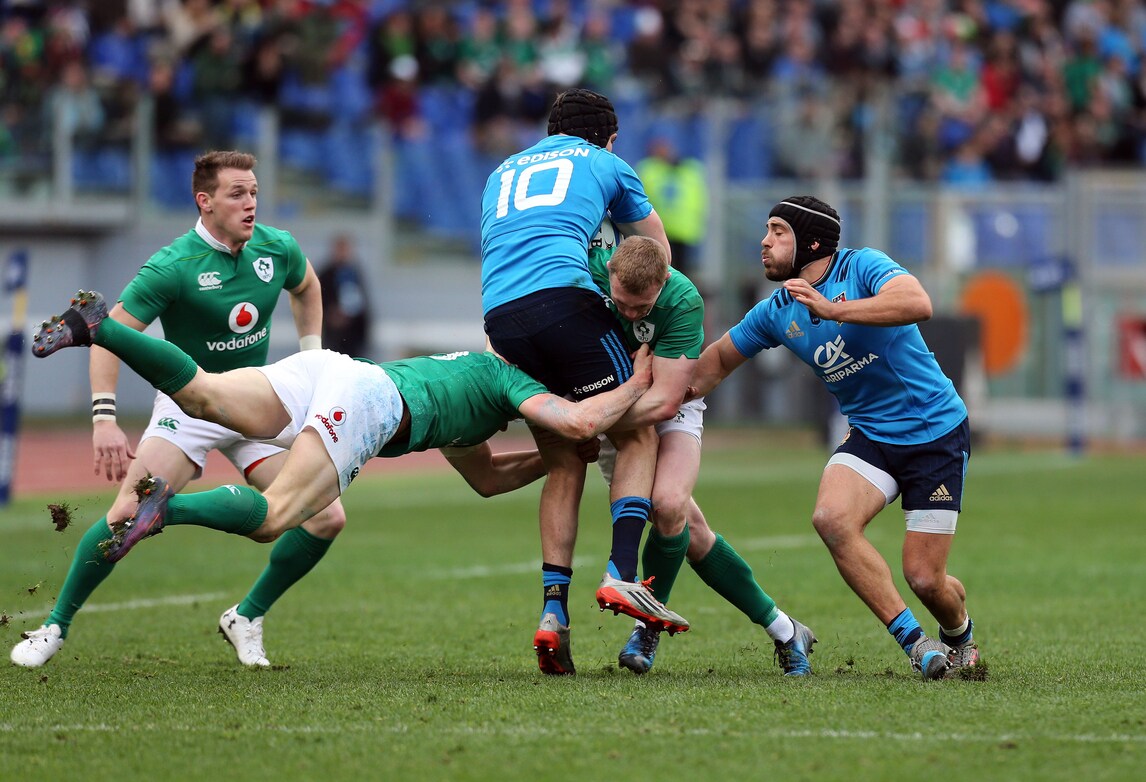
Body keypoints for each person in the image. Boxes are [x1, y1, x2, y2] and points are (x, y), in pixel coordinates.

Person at [10, 150, 347, 670]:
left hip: (256, 400)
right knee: (127, 515)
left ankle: (246, 616)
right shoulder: (173, 266)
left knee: (325, 516)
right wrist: (104, 418)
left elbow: (307, 286)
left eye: (254, 193)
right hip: (188, 408)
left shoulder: (277, 247)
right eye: (237, 194)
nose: (251, 204)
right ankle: (54, 626)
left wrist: (311, 357)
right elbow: (107, 336)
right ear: (204, 202)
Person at [27, 290, 653, 570]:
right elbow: (580, 418)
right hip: (368, 403)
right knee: (274, 518)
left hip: (331, 370)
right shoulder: (510, 379)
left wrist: (554, 458)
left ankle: (100, 326)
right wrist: (637, 384)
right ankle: (167, 508)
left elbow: (487, 478)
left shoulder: (471, 393)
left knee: (202, 394)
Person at [687, 196, 981, 681]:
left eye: (778, 231)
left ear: (810, 242)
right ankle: (915, 642)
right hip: (872, 436)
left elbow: (918, 303)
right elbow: (714, 364)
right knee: (831, 518)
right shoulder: (776, 311)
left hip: (934, 433)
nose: (764, 242)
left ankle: (959, 633)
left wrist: (833, 309)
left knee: (926, 579)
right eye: (766, 230)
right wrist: (651, 398)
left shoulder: (862, 266)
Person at [479, 87, 680, 676]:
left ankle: (553, 612)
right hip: (564, 302)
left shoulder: (502, 170)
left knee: (565, 458)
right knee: (635, 432)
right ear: (609, 138)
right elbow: (657, 253)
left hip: (500, 317)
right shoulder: (605, 162)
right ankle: (622, 573)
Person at [591, 232, 816, 676]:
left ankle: (646, 627)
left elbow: (665, 402)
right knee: (690, 529)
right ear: (610, 274)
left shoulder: (683, 299)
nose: (630, 314)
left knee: (669, 504)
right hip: (613, 409)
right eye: (621, 304)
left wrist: (587, 420)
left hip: (667, 400)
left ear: (662, 282)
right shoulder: (590, 269)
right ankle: (787, 630)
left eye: (641, 308)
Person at [634, 137, 708, 278]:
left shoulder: (689, 171)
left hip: (682, 231)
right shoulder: (651, 170)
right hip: (662, 229)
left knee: (676, 270)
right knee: (664, 269)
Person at [316, 234, 372, 357]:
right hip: (333, 335)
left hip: (353, 334)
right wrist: (331, 314)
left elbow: (362, 303)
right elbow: (316, 301)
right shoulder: (325, 274)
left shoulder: (354, 273)